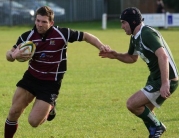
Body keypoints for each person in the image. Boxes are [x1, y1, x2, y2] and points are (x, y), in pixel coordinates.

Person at [4, 6, 110, 138]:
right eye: (37, 20)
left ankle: (51, 107)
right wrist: (13, 55)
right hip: (30, 78)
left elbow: (86, 36)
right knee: (13, 112)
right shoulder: (27, 37)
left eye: (44, 22)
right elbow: (8, 54)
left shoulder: (62, 34)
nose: (39, 24)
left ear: (51, 23)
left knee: (33, 122)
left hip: (50, 84)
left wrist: (101, 46)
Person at [99, 7, 178, 138]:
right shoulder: (135, 37)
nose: (122, 26)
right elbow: (131, 57)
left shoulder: (146, 33)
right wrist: (116, 55)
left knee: (132, 104)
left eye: (124, 22)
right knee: (147, 113)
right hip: (155, 78)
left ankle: (158, 127)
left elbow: (163, 56)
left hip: (165, 79)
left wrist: (165, 83)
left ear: (133, 22)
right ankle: (155, 132)